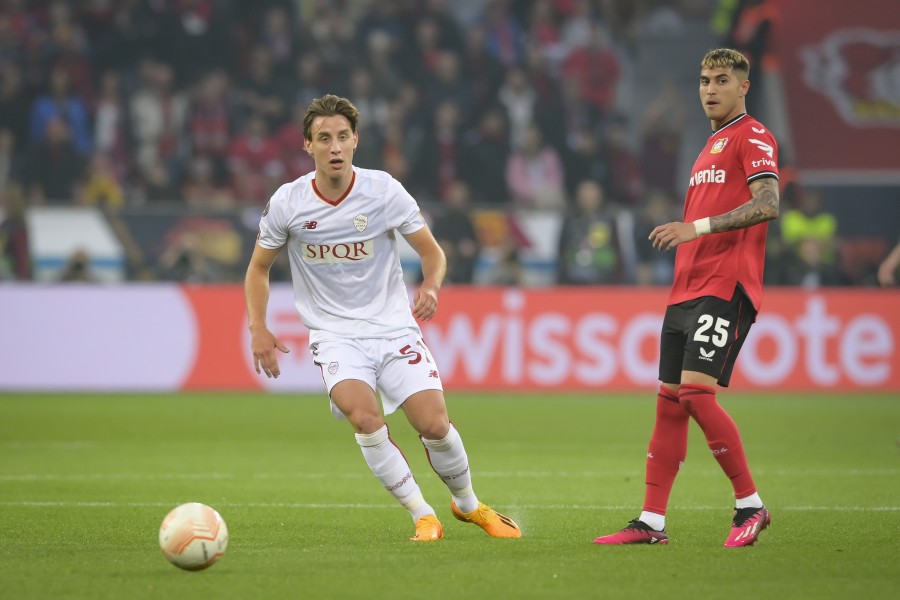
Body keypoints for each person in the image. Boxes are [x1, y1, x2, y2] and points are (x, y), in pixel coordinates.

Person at [244, 94, 521, 542]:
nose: (334, 147)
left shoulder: (384, 191)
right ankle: (422, 515)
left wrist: (430, 286)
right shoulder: (288, 202)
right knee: (363, 416)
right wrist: (258, 327)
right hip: (334, 334)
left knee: (434, 424)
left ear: (356, 141)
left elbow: (433, 253)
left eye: (342, 137)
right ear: (307, 146)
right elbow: (258, 268)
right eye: (323, 139)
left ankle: (469, 505)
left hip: (392, 328)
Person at [593, 48, 779, 548]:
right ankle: (651, 522)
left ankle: (750, 506)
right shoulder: (708, 147)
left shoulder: (753, 135)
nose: (710, 89)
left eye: (721, 80)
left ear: (743, 86)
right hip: (686, 290)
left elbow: (768, 204)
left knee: (697, 394)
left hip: (726, 286)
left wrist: (693, 228)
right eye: (703, 80)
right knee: (670, 405)